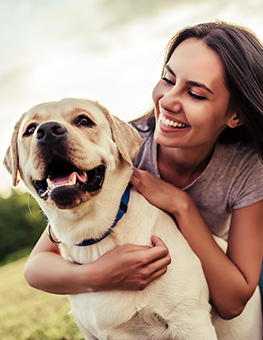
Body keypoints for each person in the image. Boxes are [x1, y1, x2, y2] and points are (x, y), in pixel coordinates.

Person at [24, 21, 263, 321]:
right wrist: (98, 276)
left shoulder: (247, 168)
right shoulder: (116, 151)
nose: (168, 100)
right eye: (168, 79)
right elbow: (36, 267)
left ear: (235, 115)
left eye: (196, 94)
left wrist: (182, 206)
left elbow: (232, 301)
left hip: (229, 263)